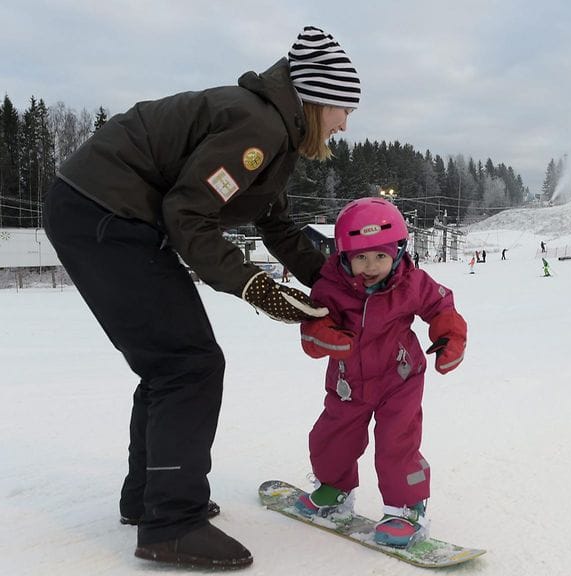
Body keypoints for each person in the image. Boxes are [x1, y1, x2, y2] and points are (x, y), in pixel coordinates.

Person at [42, 25, 361, 569]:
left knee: (172, 363)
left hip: (103, 213)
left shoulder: (269, 132)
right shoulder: (257, 128)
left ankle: (151, 500)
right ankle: (170, 523)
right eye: (340, 109)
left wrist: (335, 283)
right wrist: (260, 289)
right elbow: (188, 215)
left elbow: (276, 224)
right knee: (188, 364)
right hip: (104, 214)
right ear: (312, 100)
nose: (343, 124)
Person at [296, 197, 467, 549]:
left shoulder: (412, 282)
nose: (371, 266)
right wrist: (324, 336)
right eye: (360, 257)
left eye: (380, 256)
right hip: (348, 384)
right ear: (344, 256)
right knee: (331, 436)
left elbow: (441, 307)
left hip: (399, 378)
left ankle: (407, 509)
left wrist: (450, 335)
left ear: (398, 252)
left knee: (397, 441)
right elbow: (313, 327)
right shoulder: (329, 289)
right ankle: (335, 488)